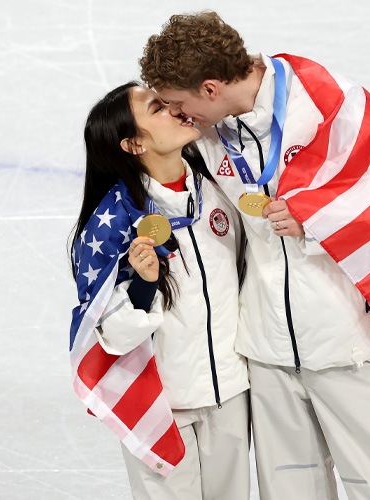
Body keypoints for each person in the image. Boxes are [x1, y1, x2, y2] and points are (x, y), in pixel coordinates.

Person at [140, 11, 370, 500]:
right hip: (266, 351)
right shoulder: (209, 129)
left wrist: (318, 218)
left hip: (350, 347)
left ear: (212, 88)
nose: (179, 116)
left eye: (180, 103)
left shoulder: (331, 105)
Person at [68, 81, 250, 500]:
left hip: (231, 390)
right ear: (133, 144)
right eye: (157, 108)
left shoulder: (218, 185)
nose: (173, 108)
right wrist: (145, 287)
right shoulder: (111, 225)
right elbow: (110, 335)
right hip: (163, 405)